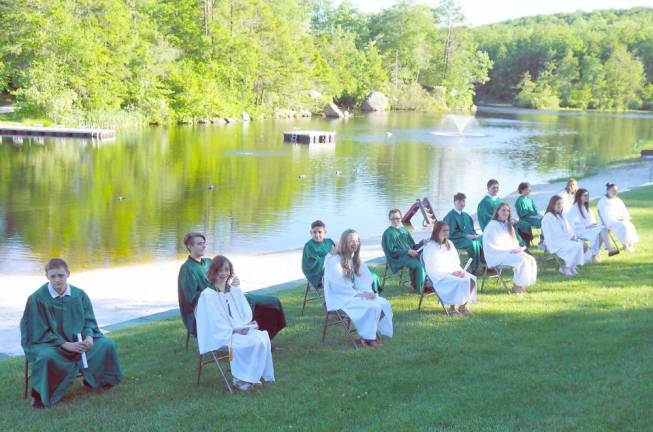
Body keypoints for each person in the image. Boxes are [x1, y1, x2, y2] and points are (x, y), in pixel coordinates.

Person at [20, 259, 123, 408]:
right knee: (46, 357)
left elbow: (89, 321)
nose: (57, 280)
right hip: (50, 343)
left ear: (68, 274)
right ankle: (40, 395)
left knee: (106, 344)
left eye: (61, 275)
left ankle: (101, 381)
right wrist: (65, 344)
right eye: (53, 276)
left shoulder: (79, 295)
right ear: (46, 276)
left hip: (78, 341)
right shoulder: (37, 299)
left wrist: (88, 337)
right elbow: (37, 331)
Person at [178, 232, 286, 340]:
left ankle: (262, 340)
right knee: (257, 309)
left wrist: (232, 284)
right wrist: (218, 292)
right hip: (209, 308)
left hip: (228, 297)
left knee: (273, 303)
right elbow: (192, 298)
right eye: (199, 244)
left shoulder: (209, 262)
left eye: (204, 243)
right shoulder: (187, 269)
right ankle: (253, 340)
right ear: (190, 246)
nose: (204, 246)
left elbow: (223, 279)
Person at [195, 255, 274, 391]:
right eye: (219, 270)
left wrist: (248, 324)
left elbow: (244, 312)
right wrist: (234, 330)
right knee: (247, 343)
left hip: (238, 330)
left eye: (226, 270)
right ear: (213, 272)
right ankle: (240, 380)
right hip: (220, 334)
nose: (223, 273)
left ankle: (251, 376)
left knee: (261, 338)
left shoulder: (234, 291)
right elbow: (213, 322)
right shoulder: (207, 295)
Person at [323, 229, 393, 347]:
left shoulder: (356, 260)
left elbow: (365, 281)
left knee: (383, 303)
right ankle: (369, 338)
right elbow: (339, 288)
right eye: (351, 240)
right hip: (340, 298)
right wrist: (359, 294)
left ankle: (365, 337)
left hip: (356, 294)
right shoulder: (334, 262)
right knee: (372, 306)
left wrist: (367, 292)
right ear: (344, 242)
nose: (354, 243)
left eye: (356, 241)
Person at [423, 221, 477, 315]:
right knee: (457, 281)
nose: (446, 233)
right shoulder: (430, 246)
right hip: (439, 276)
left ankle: (463, 306)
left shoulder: (450, 244)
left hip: (453, 271)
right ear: (437, 231)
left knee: (472, 279)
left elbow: (455, 261)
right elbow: (431, 268)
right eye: (443, 230)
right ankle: (452, 308)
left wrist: (458, 271)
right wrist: (450, 273)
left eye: (447, 230)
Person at [482, 203, 538, 293]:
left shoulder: (508, 225)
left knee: (530, 259)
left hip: (508, 253)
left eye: (508, 210)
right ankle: (517, 287)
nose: (506, 213)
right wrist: (510, 250)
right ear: (497, 212)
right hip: (497, 255)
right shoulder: (492, 226)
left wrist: (517, 248)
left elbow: (513, 242)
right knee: (522, 261)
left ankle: (522, 286)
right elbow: (493, 245)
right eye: (503, 210)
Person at [566, 188, 619, 261]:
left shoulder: (586, 207)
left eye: (587, 195)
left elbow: (592, 220)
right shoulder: (574, 209)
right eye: (584, 196)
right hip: (579, 231)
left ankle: (595, 255)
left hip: (589, 229)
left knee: (603, 229)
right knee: (601, 231)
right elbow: (570, 224)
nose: (587, 197)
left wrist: (593, 224)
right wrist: (586, 226)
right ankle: (604, 251)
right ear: (579, 197)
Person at [381, 209, 426, 294]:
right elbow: (392, 251)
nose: (395, 221)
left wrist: (422, 243)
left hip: (408, 254)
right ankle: (419, 289)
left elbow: (413, 246)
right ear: (389, 219)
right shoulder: (388, 233)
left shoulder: (404, 230)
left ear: (401, 218)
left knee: (424, 259)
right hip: (397, 257)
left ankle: (420, 284)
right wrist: (407, 251)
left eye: (397, 218)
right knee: (418, 265)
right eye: (393, 219)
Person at [541, 195, 587, 276]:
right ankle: (566, 268)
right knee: (575, 246)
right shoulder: (548, 217)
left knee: (579, 244)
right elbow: (556, 233)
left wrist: (573, 237)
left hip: (563, 240)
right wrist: (570, 237)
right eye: (558, 204)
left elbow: (569, 230)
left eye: (561, 204)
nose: (560, 206)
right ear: (552, 205)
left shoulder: (560, 215)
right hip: (554, 242)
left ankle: (572, 266)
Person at [443, 192, 483, 274]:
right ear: (455, 202)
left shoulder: (466, 216)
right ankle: (474, 268)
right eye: (459, 201)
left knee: (482, 239)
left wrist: (474, 235)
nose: (462, 203)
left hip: (468, 238)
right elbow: (450, 233)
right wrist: (466, 236)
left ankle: (485, 264)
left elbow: (471, 229)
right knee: (472, 244)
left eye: (463, 201)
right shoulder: (450, 216)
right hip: (456, 240)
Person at [597, 182, 640, 252]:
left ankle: (630, 245)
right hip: (610, 221)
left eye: (616, 191)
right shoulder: (602, 201)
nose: (615, 192)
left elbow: (624, 211)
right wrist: (616, 220)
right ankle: (625, 246)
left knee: (629, 225)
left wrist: (624, 217)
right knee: (623, 226)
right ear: (608, 191)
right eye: (613, 191)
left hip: (620, 219)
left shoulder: (618, 200)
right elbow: (605, 216)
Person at [301, 220, 336, 288]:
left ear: (325, 232)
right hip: (316, 273)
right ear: (311, 233)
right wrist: (329, 255)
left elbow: (336, 253)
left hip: (332, 268)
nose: (317, 235)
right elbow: (311, 265)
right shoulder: (309, 246)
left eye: (320, 232)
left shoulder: (329, 242)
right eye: (314, 232)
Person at [515, 182, 542, 246]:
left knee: (545, 219)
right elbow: (523, 214)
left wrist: (539, 215)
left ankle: (543, 239)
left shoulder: (530, 199)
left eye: (530, 189)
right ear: (522, 190)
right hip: (526, 218)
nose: (529, 191)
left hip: (533, 216)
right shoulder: (520, 200)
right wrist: (535, 217)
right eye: (528, 189)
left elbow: (535, 210)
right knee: (539, 222)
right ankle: (541, 239)